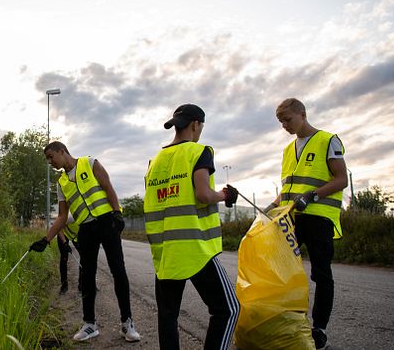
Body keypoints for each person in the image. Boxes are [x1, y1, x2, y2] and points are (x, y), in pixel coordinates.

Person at [143, 104, 240, 350]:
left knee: (168, 317)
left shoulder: (155, 162)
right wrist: (225, 195)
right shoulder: (199, 152)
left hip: (166, 252)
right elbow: (203, 195)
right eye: (201, 127)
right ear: (196, 124)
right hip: (196, 249)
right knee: (227, 310)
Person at [29, 141, 141, 342]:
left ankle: (127, 323)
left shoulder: (89, 163)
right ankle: (90, 324)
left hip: (107, 223)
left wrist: (117, 213)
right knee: (87, 275)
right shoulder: (61, 183)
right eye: (47, 159)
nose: (49, 162)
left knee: (118, 270)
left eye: (50, 157)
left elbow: (108, 187)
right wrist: (46, 239)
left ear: (62, 151)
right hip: (86, 229)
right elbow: (62, 216)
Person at [265, 98, 347, 349]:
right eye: (280, 122)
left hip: (319, 218)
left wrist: (312, 195)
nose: (284, 126)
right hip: (292, 219)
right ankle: (291, 323)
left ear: (303, 114)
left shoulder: (327, 140)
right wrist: (271, 207)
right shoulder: (288, 150)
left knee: (321, 274)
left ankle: (319, 329)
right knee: (283, 272)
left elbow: (341, 179)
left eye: (287, 120)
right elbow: (289, 188)